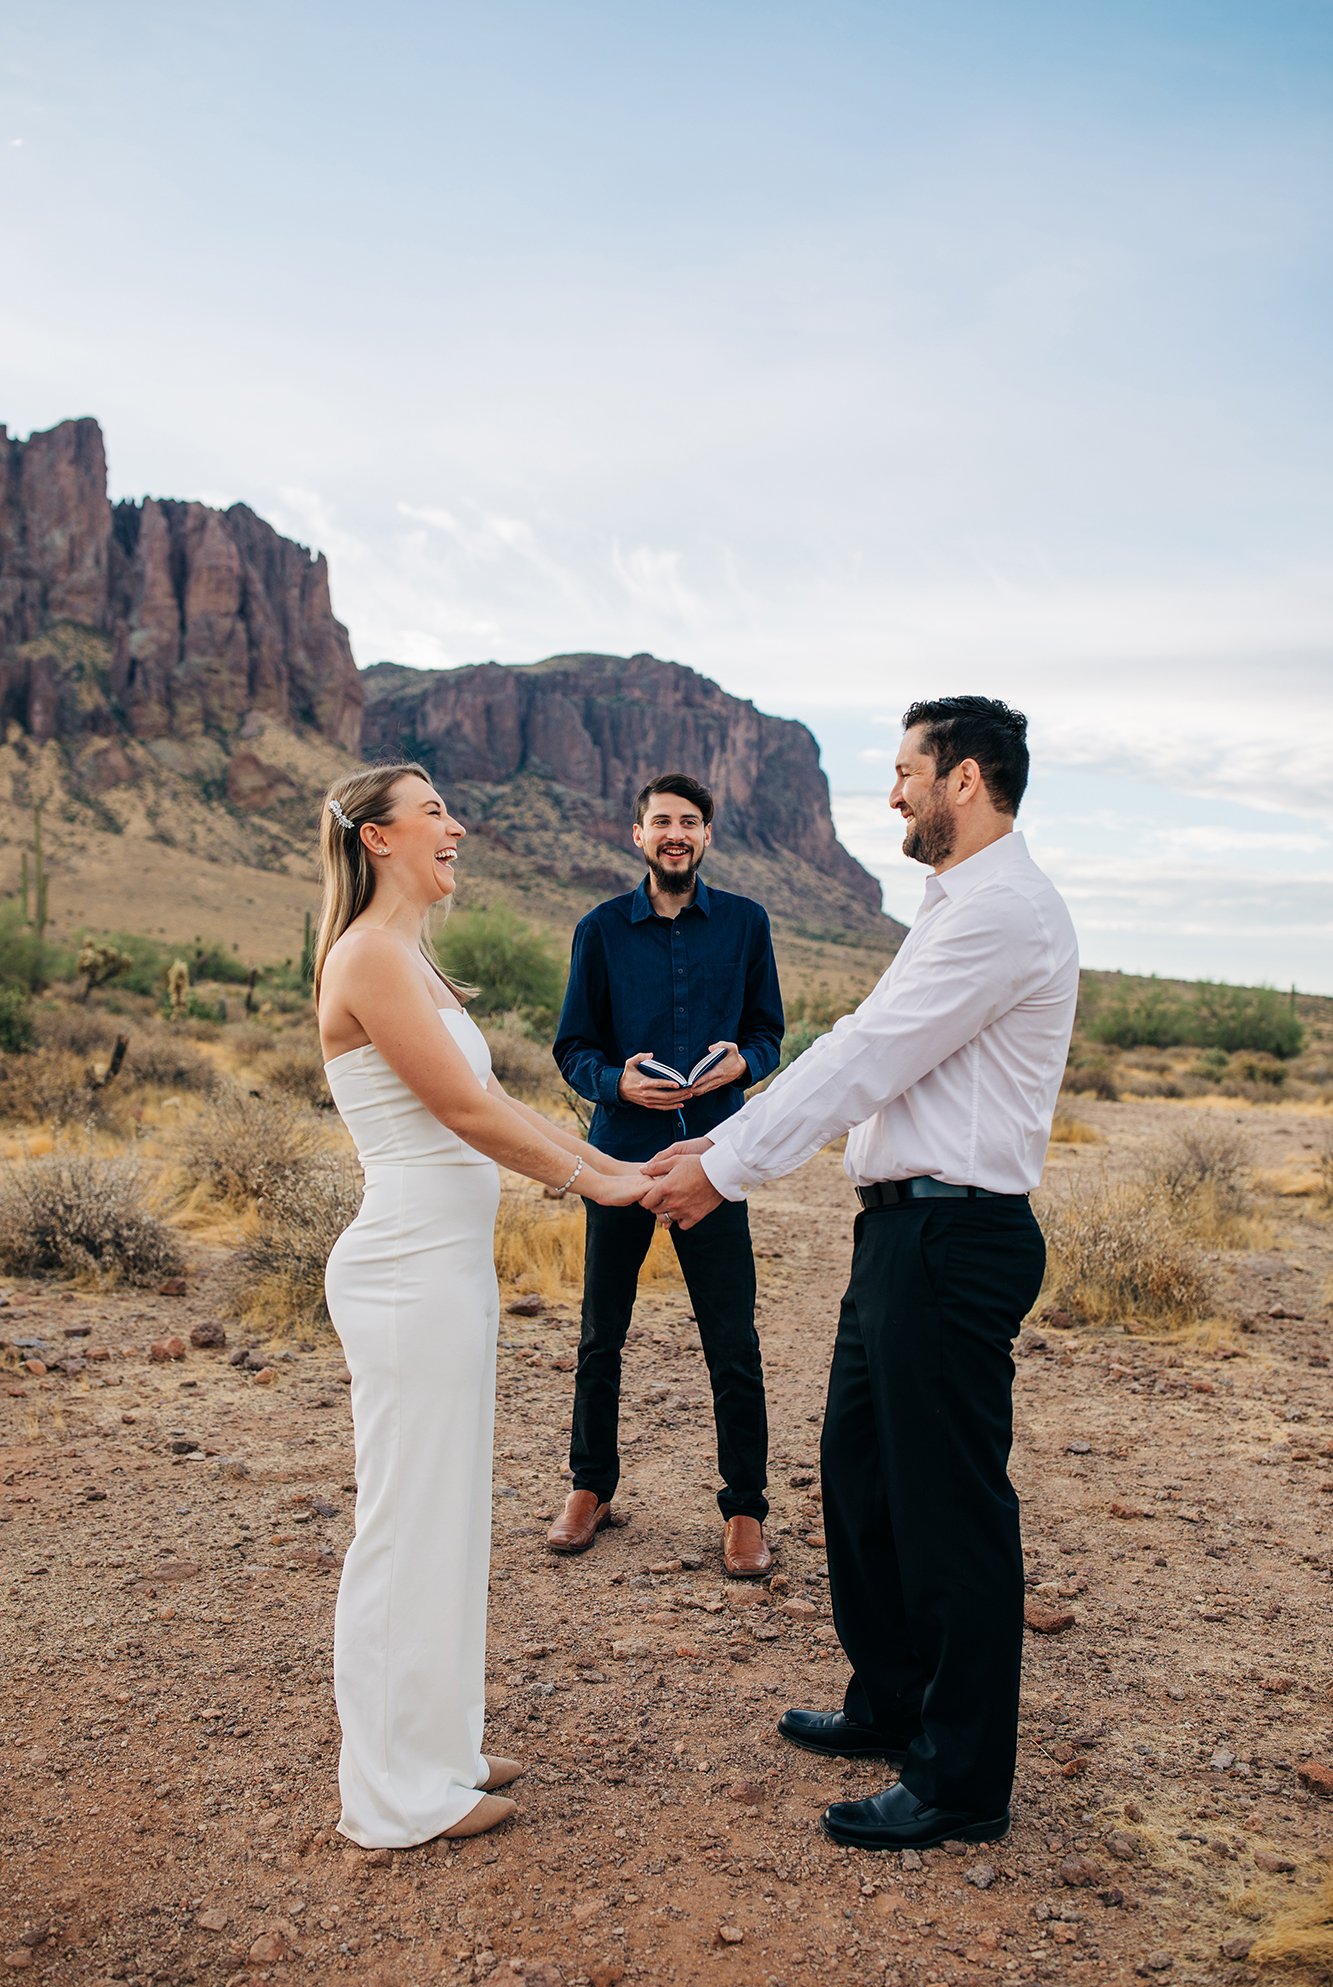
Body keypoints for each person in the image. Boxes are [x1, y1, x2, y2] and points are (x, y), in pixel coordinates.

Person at [642, 699, 1078, 1850]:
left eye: (904, 772)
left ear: (964, 780)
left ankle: (959, 1781)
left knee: (949, 1511)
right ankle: (892, 1700)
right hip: (899, 1235)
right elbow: (854, 1041)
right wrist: (714, 1143)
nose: (891, 793)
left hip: (955, 1237)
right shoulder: (950, 910)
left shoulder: (1003, 914)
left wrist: (723, 1168)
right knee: (862, 1479)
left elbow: (870, 1055)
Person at [315, 761, 648, 1848]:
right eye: (435, 813)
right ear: (378, 838)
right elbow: (460, 1108)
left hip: (446, 1269)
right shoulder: (366, 954)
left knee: (446, 1517)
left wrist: (616, 1165)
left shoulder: (412, 955)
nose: (456, 826)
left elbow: (501, 1097)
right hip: (407, 1269)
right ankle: (392, 1793)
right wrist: (597, 1186)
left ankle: (440, 1746)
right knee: (403, 1524)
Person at [548, 772, 784, 1575]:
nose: (674, 833)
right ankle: (591, 1488)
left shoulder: (747, 925)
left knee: (730, 1339)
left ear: (706, 836)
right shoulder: (600, 929)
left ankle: (745, 1509)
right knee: (599, 1333)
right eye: (661, 822)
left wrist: (737, 1066)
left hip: (715, 1157)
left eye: (688, 821)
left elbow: (767, 1035)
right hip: (620, 1154)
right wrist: (617, 1081)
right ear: (638, 835)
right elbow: (573, 1048)